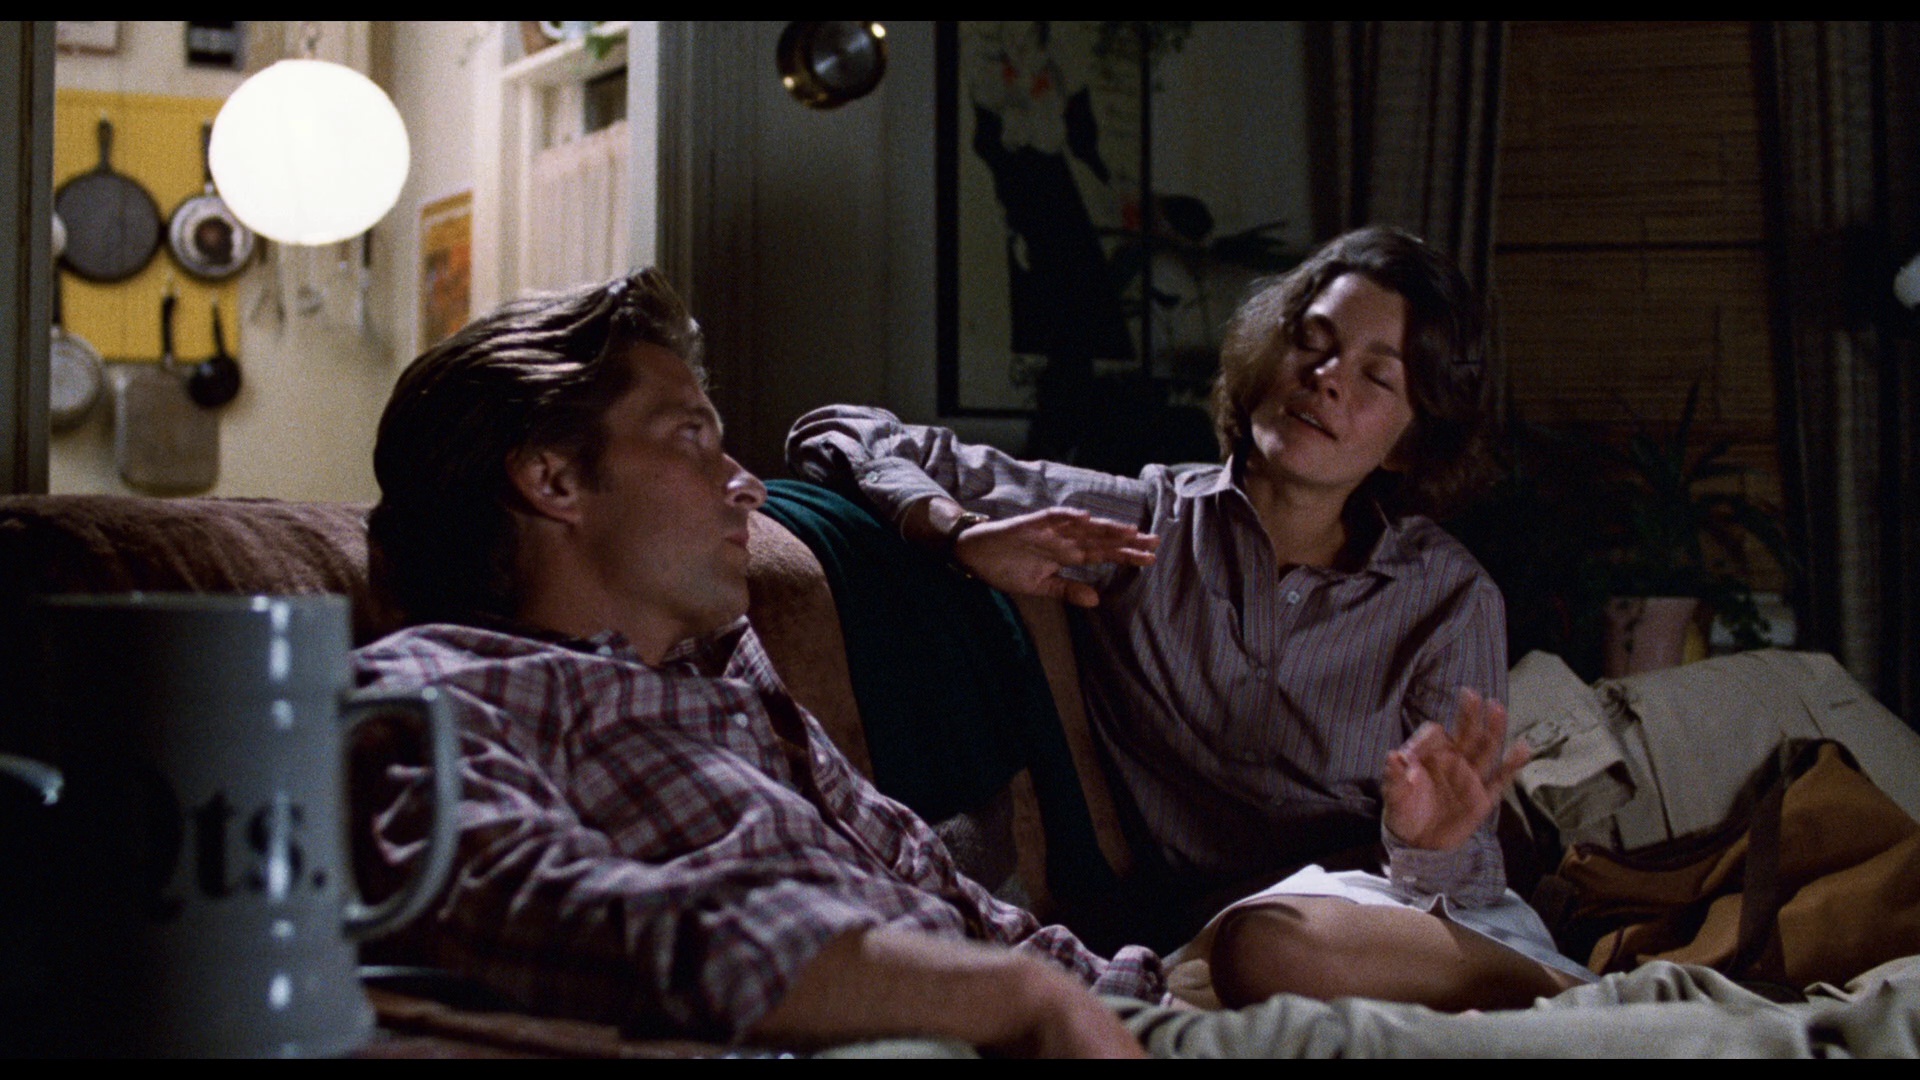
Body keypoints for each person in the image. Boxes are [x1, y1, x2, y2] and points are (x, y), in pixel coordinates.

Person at [355, 268, 1160, 1055]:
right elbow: (529, 909)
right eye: (691, 436)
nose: (747, 485)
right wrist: (1005, 996)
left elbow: (949, 905)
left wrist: (1151, 982)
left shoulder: (723, 667)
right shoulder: (435, 691)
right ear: (553, 478)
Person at [786, 225, 1590, 1011]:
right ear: (1267, 354)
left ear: (1408, 446)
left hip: (1408, 922)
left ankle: (1582, 991)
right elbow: (838, 431)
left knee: (1269, 947)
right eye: (1312, 341)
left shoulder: (1449, 596)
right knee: (1253, 946)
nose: (1327, 378)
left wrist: (1424, 843)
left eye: (1377, 377)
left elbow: (1465, 883)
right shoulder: (1143, 526)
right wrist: (954, 531)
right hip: (1225, 934)